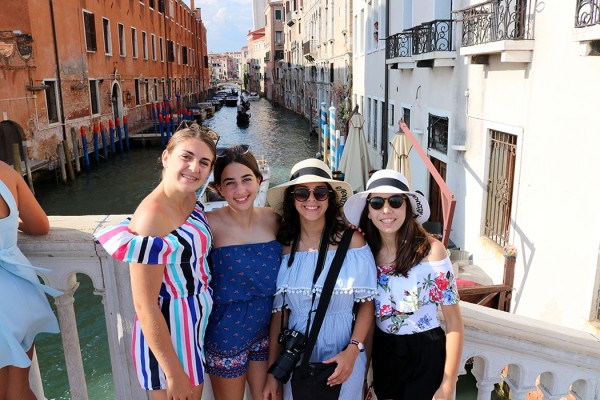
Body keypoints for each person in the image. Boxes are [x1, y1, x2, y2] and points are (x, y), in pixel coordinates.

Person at [95, 124, 218, 400]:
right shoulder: (152, 217)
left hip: (195, 323)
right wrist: (173, 373)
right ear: (166, 157)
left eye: (204, 162)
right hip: (172, 331)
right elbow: (145, 304)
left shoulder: (189, 197)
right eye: (186, 157)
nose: (194, 168)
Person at [343, 169, 464, 400]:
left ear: (407, 206)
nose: (386, 210)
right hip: (385, 353)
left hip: (426, 354)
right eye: (377, 203)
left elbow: (454, 322)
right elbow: (369, 320)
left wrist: (449, 383)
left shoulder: (432, 252)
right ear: (369, 211)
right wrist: (364, 377)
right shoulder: (366, 255)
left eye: (395, 201)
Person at [262, 158, 377, 400]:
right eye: (302, 193)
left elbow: (367, 305)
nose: (311, 200)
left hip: (344, 357)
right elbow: (280, 316)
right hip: (297, 361)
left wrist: (353, 351)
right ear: (292, 199)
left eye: (320, 192)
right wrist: (273, 372)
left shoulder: (353, 243)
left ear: (329, 198)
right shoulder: (284, 248)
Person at [204, 145, 282, 399]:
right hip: (226, 333)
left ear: (259, 180)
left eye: (247, 179)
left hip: (268, 330)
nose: (240, 190)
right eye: (230, 183)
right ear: (219, 188)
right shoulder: (208, 225)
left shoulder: (274, 219)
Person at [0, 160, 60, 400]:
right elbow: (40, 226)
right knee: (18, 392)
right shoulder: (6, 172)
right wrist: (9, 225)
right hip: (18, 292)